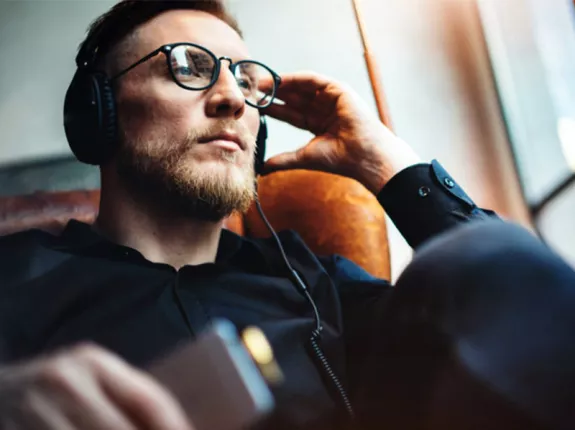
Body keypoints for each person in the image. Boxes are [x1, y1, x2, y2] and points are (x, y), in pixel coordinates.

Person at [0, 1, 574, 429]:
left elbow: (522, 316)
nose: (231, 97)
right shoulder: (15, 277)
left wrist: (386, 164)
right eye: (189, 66)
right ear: (96, 112)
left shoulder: (316, 283)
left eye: (246, 82)